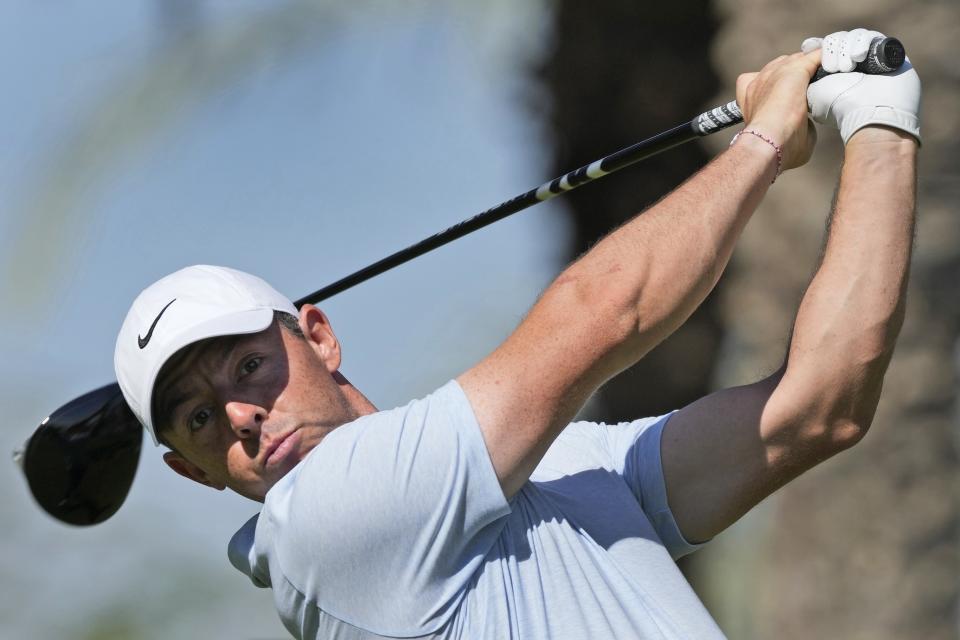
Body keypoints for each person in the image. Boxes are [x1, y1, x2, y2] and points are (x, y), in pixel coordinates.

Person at [113, 28, 921, 639]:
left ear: (319, 337)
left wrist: (879, 119)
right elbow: (600, 312)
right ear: (194, 472)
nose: (242, 416)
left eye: (250, 365)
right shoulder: (323, 524)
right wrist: (764, 141)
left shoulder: (555, 469)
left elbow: (821, 407)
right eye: (200, 419)